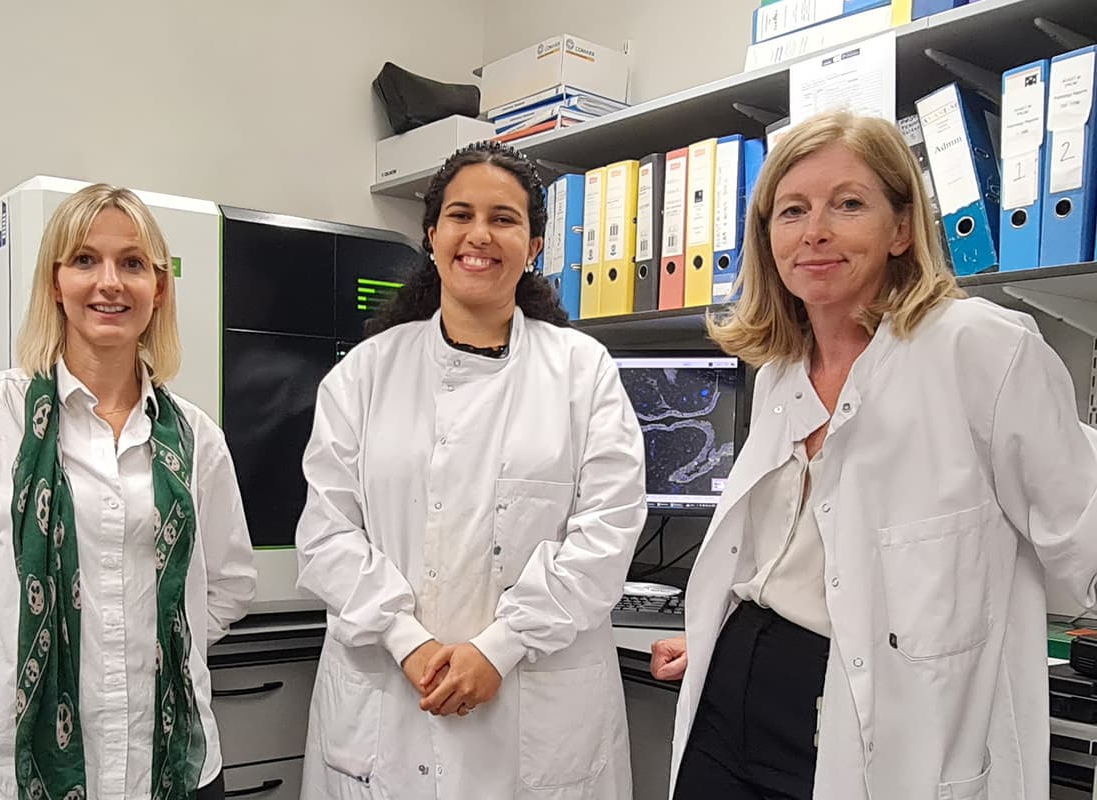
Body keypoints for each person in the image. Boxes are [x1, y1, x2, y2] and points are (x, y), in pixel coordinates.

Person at [650, 110, 1097, 800]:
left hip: (877, 721)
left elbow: (1085, 538)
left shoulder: (982, 349)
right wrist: (716, 632)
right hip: (732, 692)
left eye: (848, 204)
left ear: (898, 227)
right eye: (791, 210)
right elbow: (781, 557)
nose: (815, 231)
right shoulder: (779, 367)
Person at [294, 140, 647, 798]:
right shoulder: (366, 375)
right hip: (389, 700)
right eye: (460, 216)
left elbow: (607, 531)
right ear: (432, 236)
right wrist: (409, 641)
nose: (479, 235)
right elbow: (327, 533)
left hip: (532, 708)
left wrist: (500, 648)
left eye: (504, 219)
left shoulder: (582, 370)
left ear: (535, 244)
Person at [0, 184, 257, 799]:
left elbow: (228, 584)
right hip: (5, 766)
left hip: (166, 764)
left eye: (133, 264)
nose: (110, 282)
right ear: (55, 283)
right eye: (85, 260)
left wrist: (158, 646)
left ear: (159, 289)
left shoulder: (196, 436)